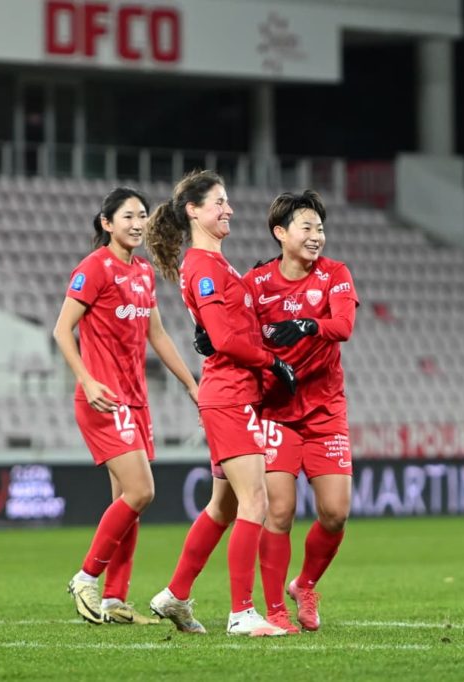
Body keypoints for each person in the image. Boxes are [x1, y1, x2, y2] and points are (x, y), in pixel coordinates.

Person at [195, 190, 358, 633]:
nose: (316, 236)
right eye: (307, 227)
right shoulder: (256, 282)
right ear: (280, 233)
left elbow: (343, 326)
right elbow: (227, 321)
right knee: (278, 510)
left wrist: (307, 324)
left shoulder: (335, 275)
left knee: (335, 513)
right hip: (275, 411)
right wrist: (206, 334)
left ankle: (304, 584)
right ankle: (277, 613)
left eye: (320, 228)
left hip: (326, 411)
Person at [144, 169, 297, 637]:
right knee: (257, 500)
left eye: (227, 201)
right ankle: (241, 613)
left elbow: (223, 330)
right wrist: (272, 362)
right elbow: (227, 338)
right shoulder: (204, 266)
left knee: (223, 508)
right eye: (218, 202)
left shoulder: (219, 264)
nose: (228, 209)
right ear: (193, 210)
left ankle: (175, 594)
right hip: (229, 395)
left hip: (232, 395)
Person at [54, 187, 200, 625]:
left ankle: (115, 601)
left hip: (135, 400)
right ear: (107, 223)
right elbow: (62, 331)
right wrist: (87, 379)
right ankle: (85, 578)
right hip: (103, 399)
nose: (137, 223)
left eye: (141, 216)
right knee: (142, 491)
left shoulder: (142, 273)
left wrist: (192, 384)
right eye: (127, 216)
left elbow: (157, 335)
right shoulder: (93, 268)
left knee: (128, 504)